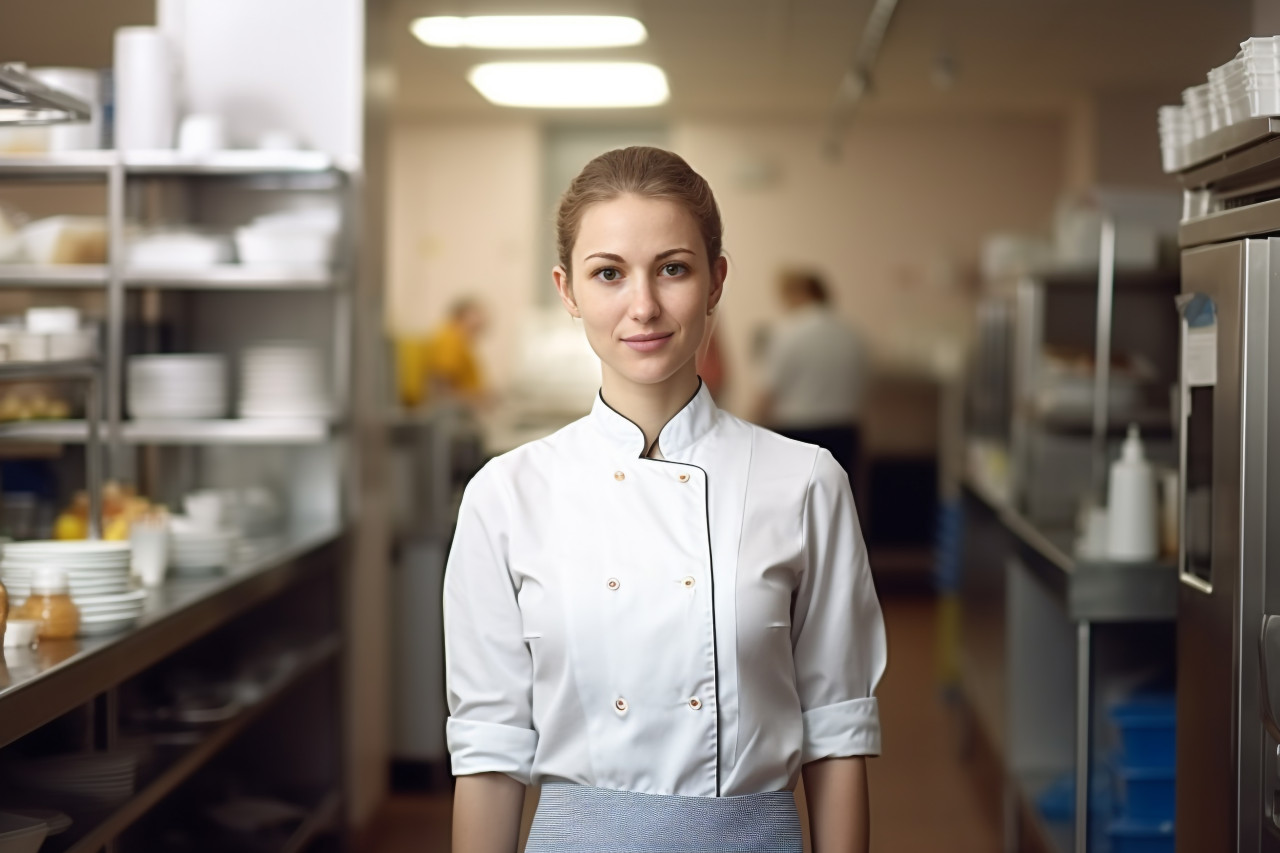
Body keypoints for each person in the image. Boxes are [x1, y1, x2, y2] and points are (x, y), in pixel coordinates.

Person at [443, 147, 886, 853]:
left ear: (716, 280)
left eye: (673, 268)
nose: (642, 305)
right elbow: (490, 754)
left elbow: (836, 733)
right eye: (609, 273)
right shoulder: (506, 494)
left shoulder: (805, 482)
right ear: (568, 290)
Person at [756, 271, 868, 489]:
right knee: (839, 500)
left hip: (798, 432)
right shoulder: (852, 334)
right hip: (845, 430)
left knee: (797, 504)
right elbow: (865, 383)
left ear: (799, 293)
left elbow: (768, 389)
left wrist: (752, 429)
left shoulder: (787, 331)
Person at [395, 297, 489, 409]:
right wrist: (477, 399)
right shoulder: (450, 339)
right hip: (454, 414)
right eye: (477, 314)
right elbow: (440, 388)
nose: (483, 319)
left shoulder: (460, 341)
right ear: (461, 315)